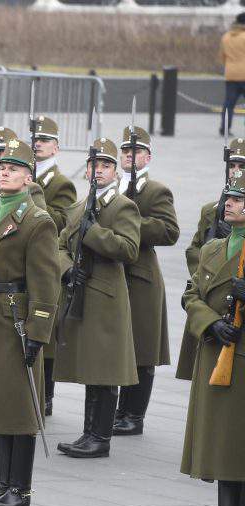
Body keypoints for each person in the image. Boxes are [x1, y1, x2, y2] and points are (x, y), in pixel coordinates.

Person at [0, 140, 60, 506]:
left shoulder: (38, 221)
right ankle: (3, 482)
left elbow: (45, 281)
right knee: (1, 402)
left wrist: (37, 331)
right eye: (3, 167)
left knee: (20, 404)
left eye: (15, 169)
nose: (5, 172)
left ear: (28, 178)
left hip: (15, 318)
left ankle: (21, 489)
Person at [54, 137, 141, 459]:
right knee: (91, 367)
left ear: (115, 172)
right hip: (80, 293)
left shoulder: (123, 206)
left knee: (104, 370)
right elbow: (59, 245)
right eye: (94, 165)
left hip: (106, 298)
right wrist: (65, 270)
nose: (98, 171)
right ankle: (88, 432)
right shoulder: (79, 206)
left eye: (105, 166)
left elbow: (129, 249)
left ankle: (100, 437)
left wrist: (93, 233)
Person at [180, 171, 245, 506]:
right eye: (230, 198)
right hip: (217, 353)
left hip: (241, 358)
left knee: (239, 447)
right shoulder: (214, 248)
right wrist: (209, 322)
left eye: (239, 199)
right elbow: (191, 294)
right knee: (222, 447)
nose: (229, 204)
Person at [110, 126, 180, 436]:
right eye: (125, 152)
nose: (130, 157)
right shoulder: (112, 187)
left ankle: (133, 415)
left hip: (140, 278)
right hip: (112, 274)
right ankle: (115, 411)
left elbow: (168, 231)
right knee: (115, 346)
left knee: (141, 348)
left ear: (147, 156)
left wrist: (130, 221)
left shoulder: (155, 191)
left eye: (136, 152)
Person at [176, 137, 245, 379]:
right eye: (232, 165)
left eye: (241, 166)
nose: (235, 170)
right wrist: (208, 270)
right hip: (209, 294)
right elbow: (193, 249)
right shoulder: (212, 209)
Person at [32, 115, 76, 415]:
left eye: (44, 140)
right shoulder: (23, 174)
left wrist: (33, 193)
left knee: (45, 333)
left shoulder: (61, 183)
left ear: (56, 148)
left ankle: (46, 396)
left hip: (47, 259)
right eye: (35, 139)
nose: (38, 144)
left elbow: (61, 222)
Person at [220, 13, 245, 135]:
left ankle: (224, 128)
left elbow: (222, 57)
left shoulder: (226, 37)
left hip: (230, 74)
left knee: (228, 104)